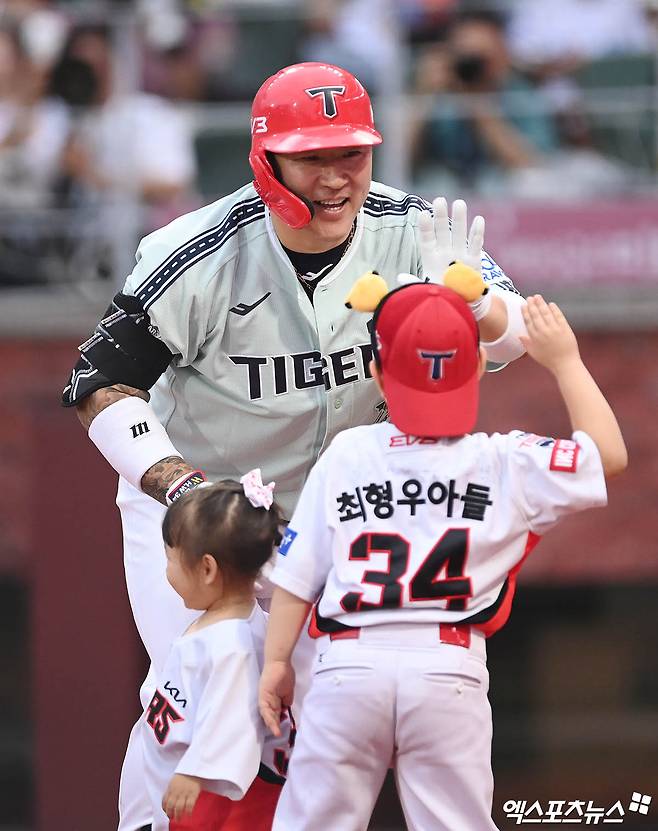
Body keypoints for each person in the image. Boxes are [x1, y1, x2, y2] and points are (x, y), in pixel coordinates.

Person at [61, 61, 527, 830]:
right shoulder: (197, 250)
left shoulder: (410, 229)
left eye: (353, 153)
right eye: (315, 156)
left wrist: (476, 304)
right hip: (195, 500)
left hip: (327, 508)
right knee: (200, 685)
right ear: (267, 159)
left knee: (316, 708)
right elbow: (97, 380)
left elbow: (512, 342)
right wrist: (180, 486)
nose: (338, 176)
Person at [258, 282, 627, 831]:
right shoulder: (505, 460)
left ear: (380, 374)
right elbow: (609, 455)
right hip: (446, 668)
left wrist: (276, 662)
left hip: (347, 668)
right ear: (476, 366)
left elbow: (295, 576)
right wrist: (565, 360)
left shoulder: (349, 452)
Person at [140, 473, 292, 831]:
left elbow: (233, 719)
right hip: (192, 787)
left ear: (207, 568)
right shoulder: (237, 624)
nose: (168, 572)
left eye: (172, 560)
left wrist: (195, 773)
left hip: (213, 800)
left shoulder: (232, 645)